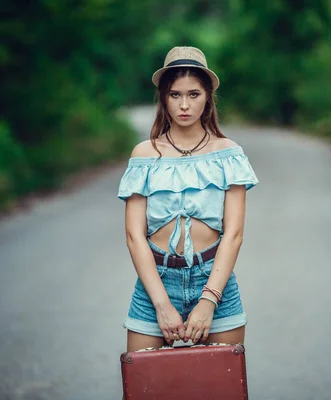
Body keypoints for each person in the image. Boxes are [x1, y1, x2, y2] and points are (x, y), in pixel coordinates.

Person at [118, 46, 259, 352]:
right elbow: (134, 236)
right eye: (175, 95)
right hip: (156, 281)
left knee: (223, 387)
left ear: (208, 96)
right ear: (163, 99)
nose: (184, 105)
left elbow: (233, 235)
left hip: (215, 282)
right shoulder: (145, 154)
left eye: (193, 94)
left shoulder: (227, 154)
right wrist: (161, 305)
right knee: (145, 387)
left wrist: (209, 301)